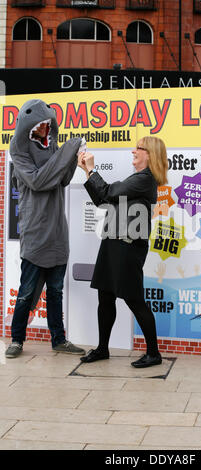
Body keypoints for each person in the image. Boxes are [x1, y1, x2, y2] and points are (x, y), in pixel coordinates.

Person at [78, 136, 168, 368]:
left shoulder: (145, 180)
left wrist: (93, 169)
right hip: (112, 244)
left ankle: (153, 354)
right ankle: (102, 349)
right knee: (105, 297)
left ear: (150, 154)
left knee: (135, 300)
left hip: (127, 248)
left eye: (138, 148)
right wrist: (87, 172)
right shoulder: (137, 178)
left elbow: (108, 192)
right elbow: (102, 200)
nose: (133, 151)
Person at [5, 99, 86, 358]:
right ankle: (16, 340)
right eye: (40, 124)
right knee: (27, 291)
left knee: (56, 292)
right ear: (28, 126)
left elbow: (61, 179)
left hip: (57, 233)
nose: (44, 128)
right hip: (35, 232)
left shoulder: (52, 147)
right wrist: (68, 148)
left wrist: (73, 156)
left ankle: (59, 340)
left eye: (47, 124)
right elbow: (39, 181)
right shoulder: (19, 154)